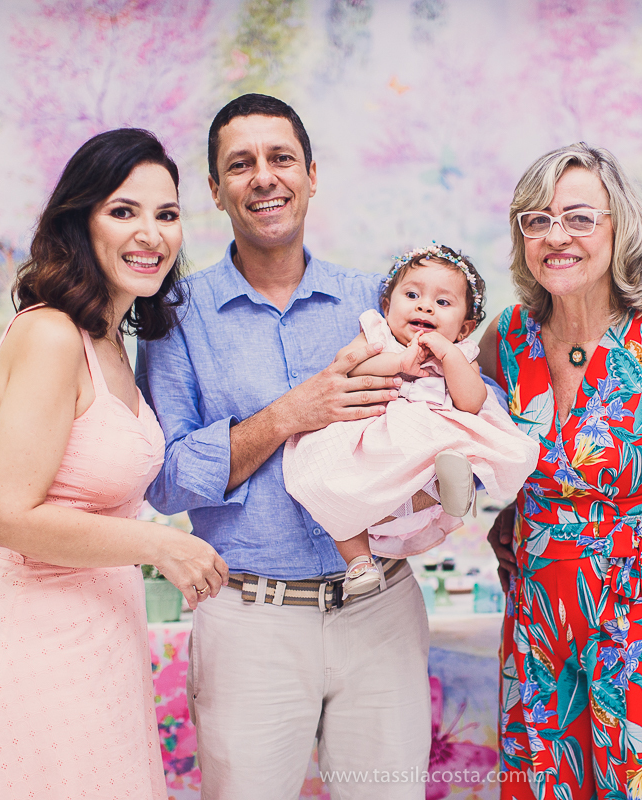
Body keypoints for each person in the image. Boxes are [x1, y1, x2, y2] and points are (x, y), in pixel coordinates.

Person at [136, 94, 445, 799]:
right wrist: (286, 416)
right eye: (240, 165)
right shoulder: (176, 319)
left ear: (311, 173)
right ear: (215, 191)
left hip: (380, 611)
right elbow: (169, 481)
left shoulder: (376, 299)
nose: (263, 177)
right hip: (250, 621)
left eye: (280, 159)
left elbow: (432, 410)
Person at [0, 129, 229, 799]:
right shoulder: (51, 333)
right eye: (123, 210)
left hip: (103, 645)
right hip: (35, 650)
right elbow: (5, 515)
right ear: (78, 220)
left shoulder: (112, 342)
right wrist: (157, 543)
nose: (150, 232)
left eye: (167, 214)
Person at [479, 143, 642, 799]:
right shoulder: (504, 339)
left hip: (641, 618)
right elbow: (474, 444)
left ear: (619, 228)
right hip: (537, 623)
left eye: (579, 218)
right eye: (537, 220)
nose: (556, 236)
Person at [283, 243, 538, 592]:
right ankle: (358, 562)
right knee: (332, 481)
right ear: (387, 306)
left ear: (464, 328)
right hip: (372, 437)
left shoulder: (460, 354)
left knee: (463, 446)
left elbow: (472, 402)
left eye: (443, 302)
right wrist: (400, 362)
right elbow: (350, 363)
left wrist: (449, 357)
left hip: (425, 440)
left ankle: (445, 488)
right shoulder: (378, 334)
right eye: (412, 294)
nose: (424, 305)